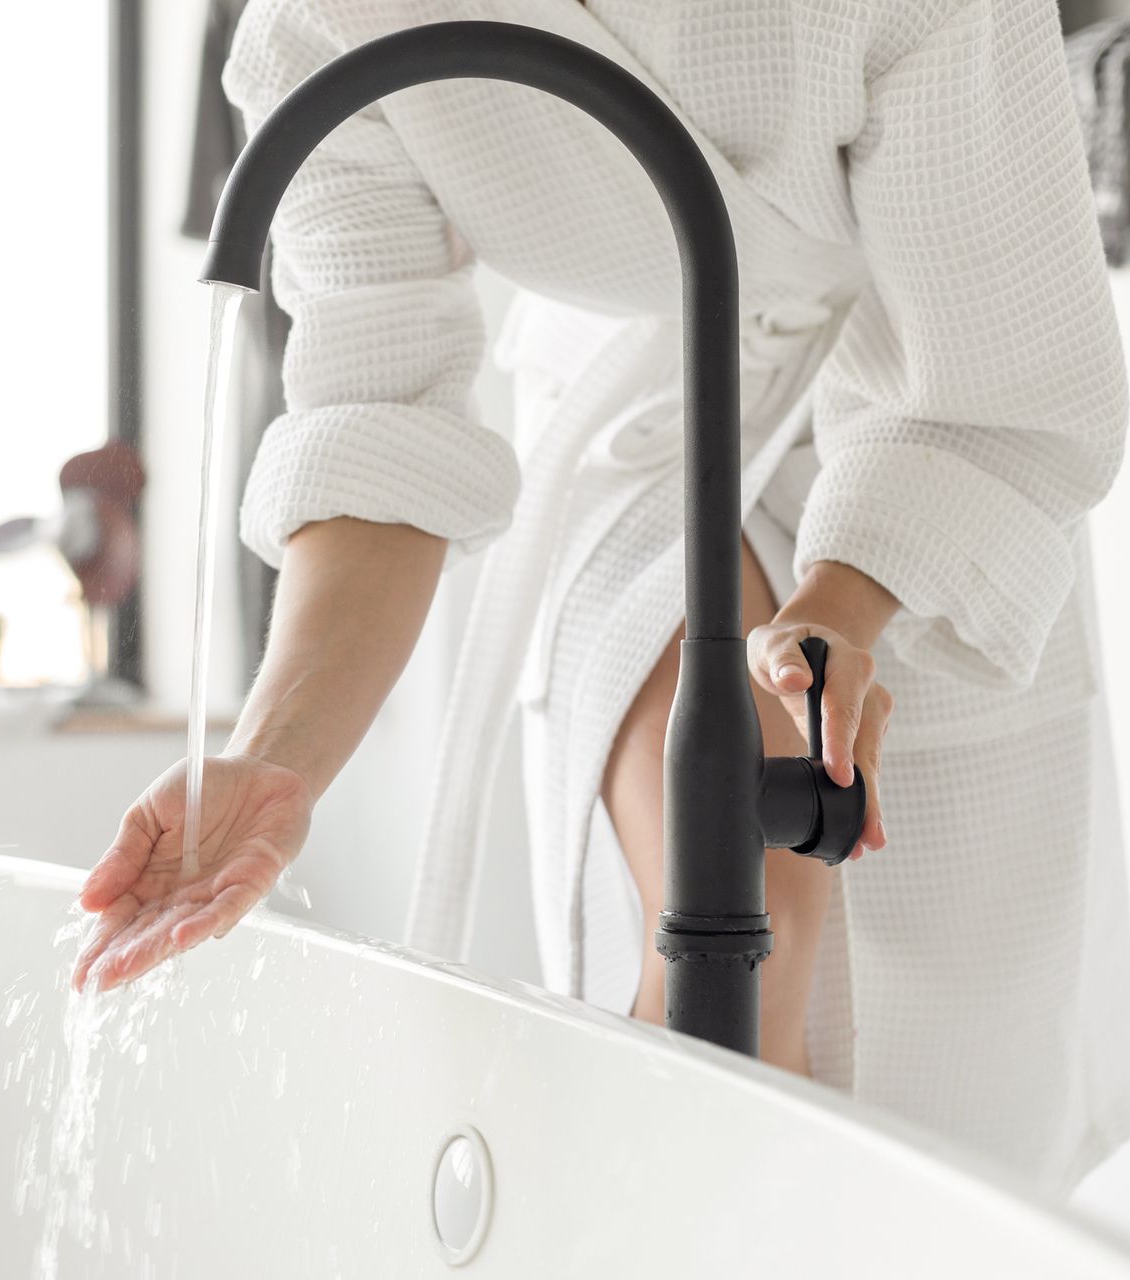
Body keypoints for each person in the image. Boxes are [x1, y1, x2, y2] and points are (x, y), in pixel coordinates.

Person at [74, 0, 1130, 1197]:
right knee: (732, 920)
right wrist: (271, 759)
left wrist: (839, 606)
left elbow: (1000, 373)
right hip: (645, 429)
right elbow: (376, 430)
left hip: (938, 432)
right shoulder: (322, 25)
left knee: (946, 1118)